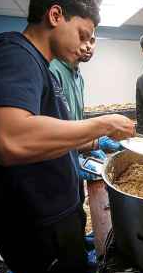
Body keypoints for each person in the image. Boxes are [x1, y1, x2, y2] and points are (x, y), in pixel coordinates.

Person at [0, 0, 135, 273]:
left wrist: (94, 143)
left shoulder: (42, 67)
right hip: (35, 225)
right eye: (83, 33)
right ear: (55, 15)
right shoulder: (9, 53)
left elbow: (49, 136)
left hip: (58, 216)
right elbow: (11, 139)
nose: (86, 45)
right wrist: (103, 124)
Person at [49, 32, 119, 180]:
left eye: (92, 40)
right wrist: (95, 143)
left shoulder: (78, 76)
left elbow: (75, 125)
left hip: (73, 158)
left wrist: (88, 147)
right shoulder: (53, 70)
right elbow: (53, 136)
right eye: (82, 39)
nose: (88, 46)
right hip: (57, 168)